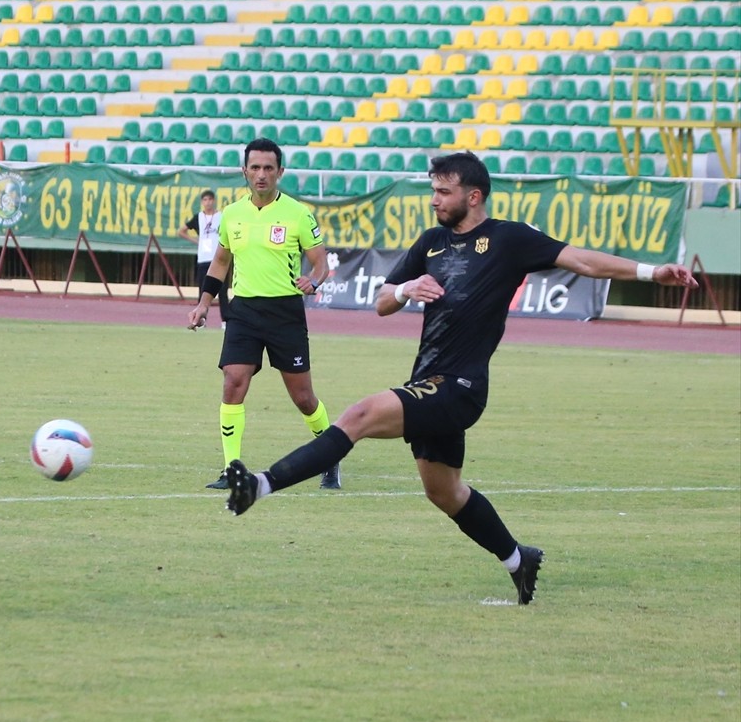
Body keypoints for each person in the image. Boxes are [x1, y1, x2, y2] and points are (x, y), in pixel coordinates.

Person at [223, 151, 699, 605]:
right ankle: (518, 560)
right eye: (433, 190)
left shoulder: (509, 239)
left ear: (473, 196)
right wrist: (407, 288)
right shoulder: (431, 243)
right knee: (444, 491)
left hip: (461, 385)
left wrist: (652, 271)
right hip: (429, 379)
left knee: (360, 415)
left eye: (443, 192)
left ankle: (260, 485)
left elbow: (584, 262)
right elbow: (383, 302)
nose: (434, 200)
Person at [187, 138, 340, 492]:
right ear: (244, 171)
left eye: (268, 168)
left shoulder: (298, 214)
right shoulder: (233, 214)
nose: (261, 174)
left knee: (303, 397)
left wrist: (313, 281)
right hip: (243, 311)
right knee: (232, 383)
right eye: (254, 168)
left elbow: (321, 263)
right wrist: (204, 303)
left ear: (280, 172)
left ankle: (331, 455)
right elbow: (221, 261)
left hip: (285, 312)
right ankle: (230, 468)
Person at [178, 189, 230, 328]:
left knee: (223, 293)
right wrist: (197, 241)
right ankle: (200, 320)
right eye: (205, 200)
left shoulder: (221, 216)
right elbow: (181, 231)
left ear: (214, 201)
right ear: (202, 202)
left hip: (219, 258)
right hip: (203, 259)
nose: (208, 203)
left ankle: (225, 321)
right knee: (203, 291)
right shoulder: (198, 217)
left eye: (210, 200)